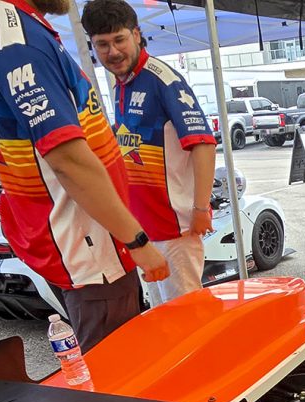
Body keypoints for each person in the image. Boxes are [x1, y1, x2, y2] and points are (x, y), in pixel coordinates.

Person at [0, 0, 170, 402]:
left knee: (109, 349)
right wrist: (138, 241)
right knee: (114, 359)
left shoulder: (17, 29)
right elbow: (67, 158)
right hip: (82, 240)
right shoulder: (19, 42)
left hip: (73, 235)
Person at [81, 0, 216, 308]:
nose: (112, 52)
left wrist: (200, 209)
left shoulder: (162, 79)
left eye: (119, 40)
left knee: (186, 317)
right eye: (102, 44)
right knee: (163, 317)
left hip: (174, 227)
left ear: (137, 35)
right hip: (143, 229)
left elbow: (204, 143)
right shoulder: (120, 85)